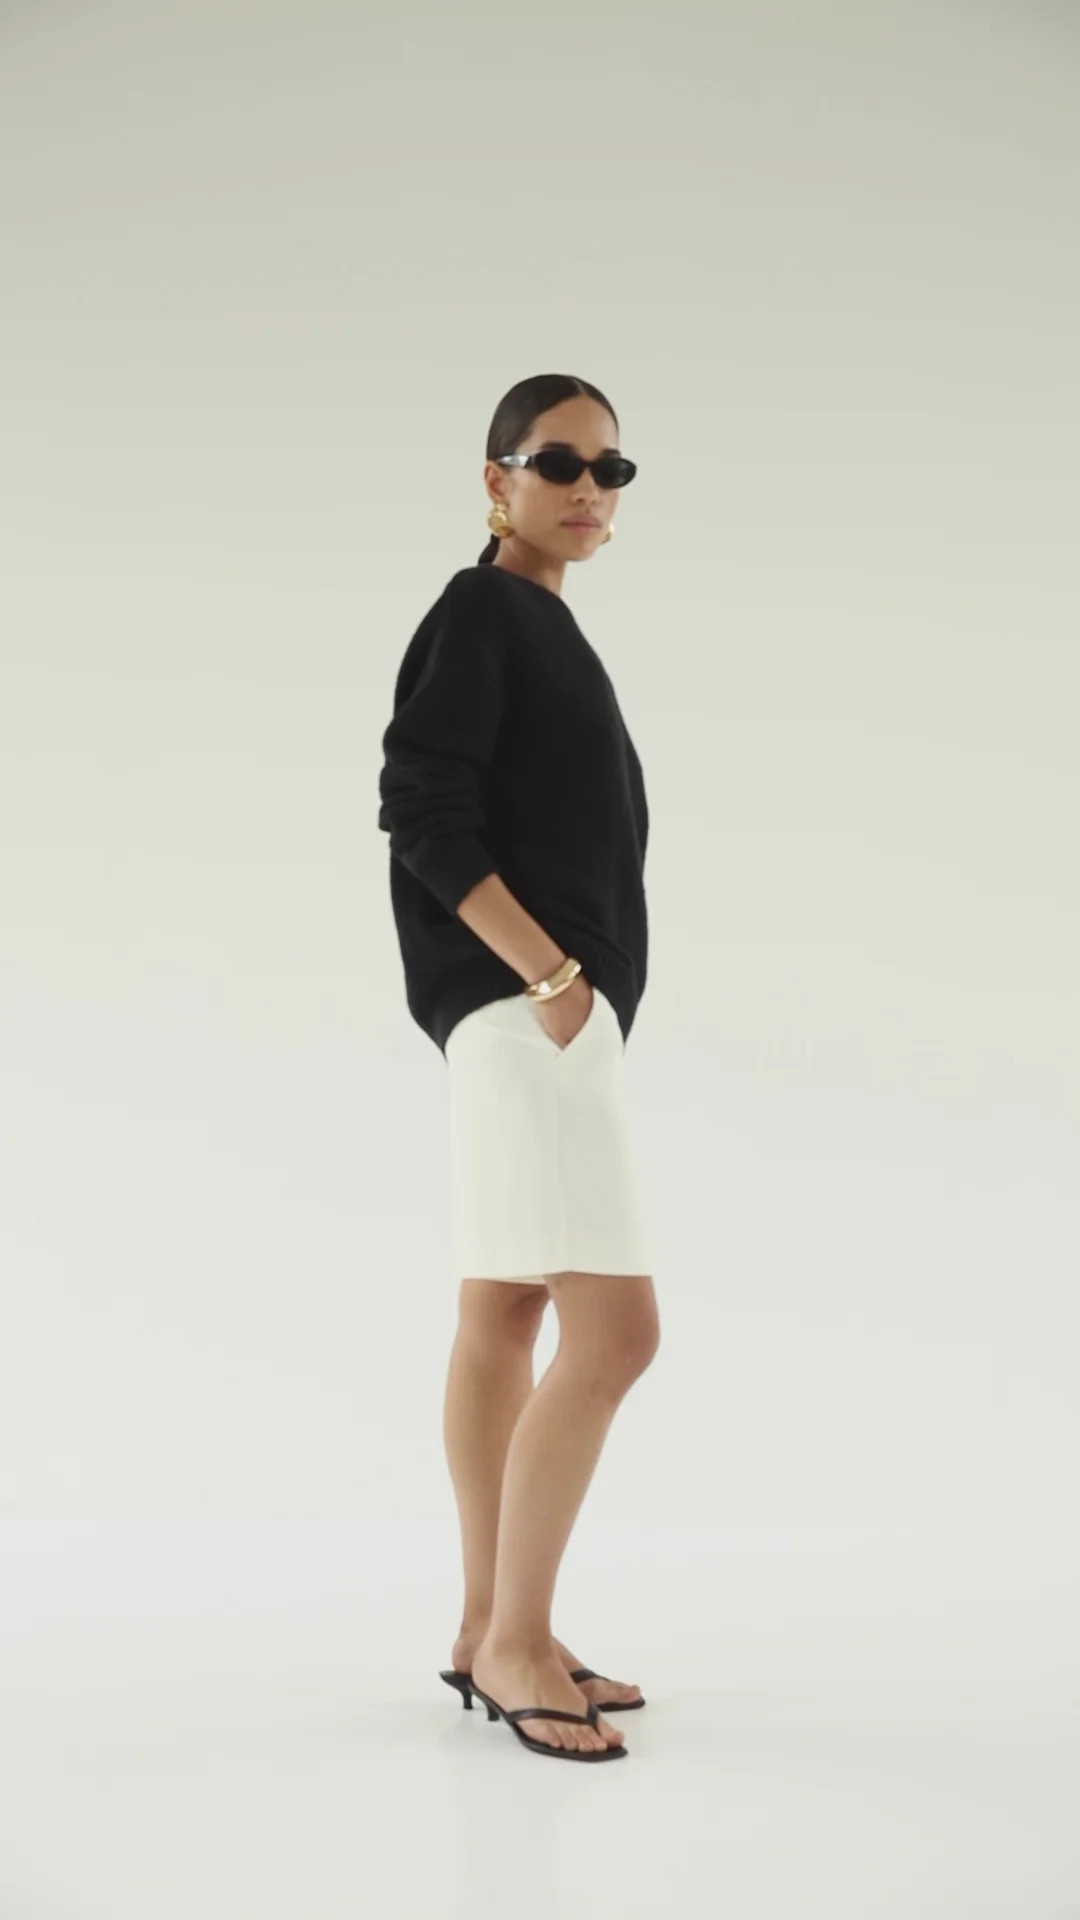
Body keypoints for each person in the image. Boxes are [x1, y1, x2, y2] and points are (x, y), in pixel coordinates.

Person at [377, 372, 660, 1761]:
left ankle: (490, 1624)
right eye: (559, 463)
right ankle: (515, 1640)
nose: (588, 489)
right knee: (616, 1336)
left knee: (502, 1312)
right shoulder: (485, 611)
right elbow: (419, 806)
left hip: (526, 1021)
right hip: (523, 1015)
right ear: (496, 480)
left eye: (612, 470)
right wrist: (551, 979)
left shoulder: (539, 623)